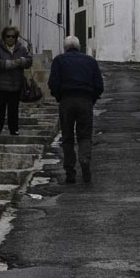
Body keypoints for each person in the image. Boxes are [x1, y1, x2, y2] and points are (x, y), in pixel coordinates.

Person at [48, 36, 103, 184]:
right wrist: (92, 99)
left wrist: (59, 96)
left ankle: (70, 173)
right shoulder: (90, 61)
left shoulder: (59, 60)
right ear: (79, 47)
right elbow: (99, 85)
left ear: (65, 48)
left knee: (67, 137)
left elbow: (53, 83)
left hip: (66, 100)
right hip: (85, 100)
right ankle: (84, 159)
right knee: (84, 136)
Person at [0, 26, 32, 136]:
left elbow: (29, 61)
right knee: (0, 109)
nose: (10, 38)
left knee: (13, 109)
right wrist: (9, 64)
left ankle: (14, 129)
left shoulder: (21, 49)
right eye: (8, 36)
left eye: (13, 36)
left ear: (16, 37)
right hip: (0, 84)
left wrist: (21, 61)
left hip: (15, 84)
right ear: (4, 36)